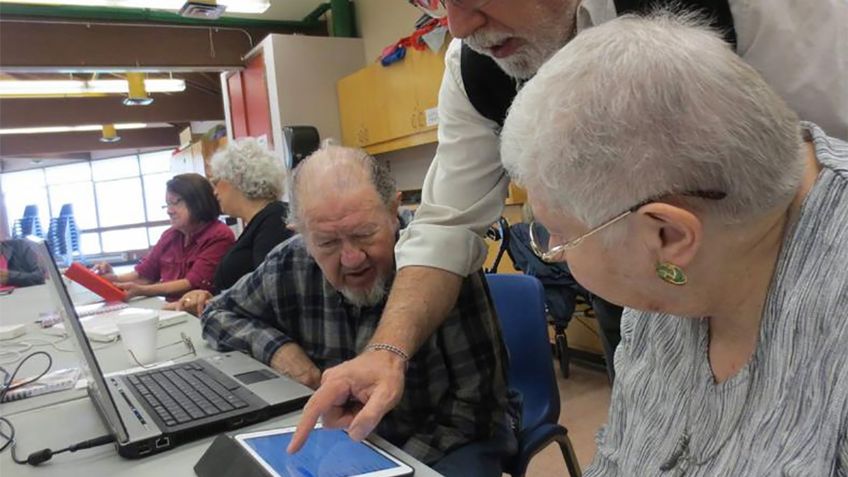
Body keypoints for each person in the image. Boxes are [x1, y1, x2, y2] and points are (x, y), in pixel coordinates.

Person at [291, 0, 848, 448]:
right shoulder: (473, 72)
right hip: (657, 271)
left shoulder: (767, 10)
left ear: (667, 232)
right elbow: (446, 224)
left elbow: (818, 158)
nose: (457, 25)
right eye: (432, 1)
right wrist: (388, 352)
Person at [499, 12, 848, 474]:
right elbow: (624, 454)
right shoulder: (667, 284)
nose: (554, 252)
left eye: (559, 235)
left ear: (668, 234)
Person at [200, 145, 514, 476]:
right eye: (327, 243)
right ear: (301, 234)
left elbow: (479, 406)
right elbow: (218, 314)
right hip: (343, 438)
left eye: (365, 234)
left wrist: (381, 466)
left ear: (394, 211)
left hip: (446, 435)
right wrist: (280, 351)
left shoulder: (442, 266)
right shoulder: (288, 263)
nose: (352, 258)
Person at [169, 138, 293, 315]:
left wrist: (214, 303)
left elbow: (267, 294)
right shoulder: (261, 221)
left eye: (216, 181)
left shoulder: (273, 220)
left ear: (237, 178)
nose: (214, 191)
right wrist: (209, 297)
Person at [93, 173, 234, 301]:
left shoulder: (219, 235)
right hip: (172, 311)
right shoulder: (170, 235)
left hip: (201, 313)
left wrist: (143, 291)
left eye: (175, 203)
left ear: (197, 202)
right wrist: (114, 279)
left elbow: (191, 283)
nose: (169, 211)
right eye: (167, 204)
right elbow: (145, 275)